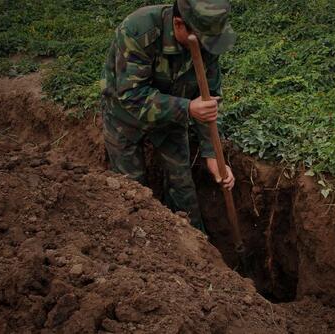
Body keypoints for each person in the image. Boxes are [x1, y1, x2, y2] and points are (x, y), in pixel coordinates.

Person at [100, 0, 236, 232]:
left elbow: (208, 100)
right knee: (133, 195)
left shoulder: (208, 42)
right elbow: (131, 96)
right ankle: (146, 254)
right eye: (204, 39)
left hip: (171, 117)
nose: (208, 48)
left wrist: (213, 154)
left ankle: (197, 253)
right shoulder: (139, 30)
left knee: (183, 189)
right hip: (124, 116)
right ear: (179, 24)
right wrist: (188, 108)